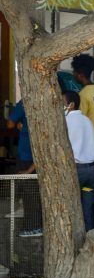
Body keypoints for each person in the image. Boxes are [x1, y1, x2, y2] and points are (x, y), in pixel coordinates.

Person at [63, 91, 94, 231]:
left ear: (71, 105)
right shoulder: (87, 120)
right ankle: (89, 241)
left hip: (75, 170)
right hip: (92, 171)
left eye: (61, 102)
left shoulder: (65, 121)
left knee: (71, 209)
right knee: (88, 210)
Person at [9, 100, 43, 237]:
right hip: (40, 154)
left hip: (27, 156)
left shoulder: (24, 103)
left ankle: (33, 227)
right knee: (37, 192)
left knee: (29, 194)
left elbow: (10, 123)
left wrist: (19, 125)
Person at [72, 54, 94, 152]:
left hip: (88, 144)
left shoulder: (83, 94)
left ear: (80, 75)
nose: (73, 74)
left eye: (74, 72)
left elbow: (79, 120)